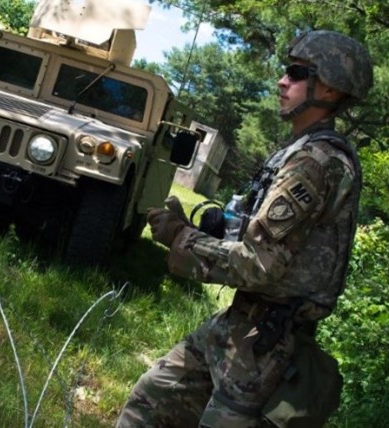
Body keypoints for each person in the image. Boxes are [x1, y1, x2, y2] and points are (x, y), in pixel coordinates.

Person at [116, 30, 373, 428]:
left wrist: (178, 237)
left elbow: (256, 265)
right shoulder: (296, 150)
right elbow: (256, 237)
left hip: (267, 346)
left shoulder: (315, 162)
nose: (281, 81)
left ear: (331, 88)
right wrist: (211, 229)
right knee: (152, 401)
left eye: (296, 73)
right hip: (239, 323)